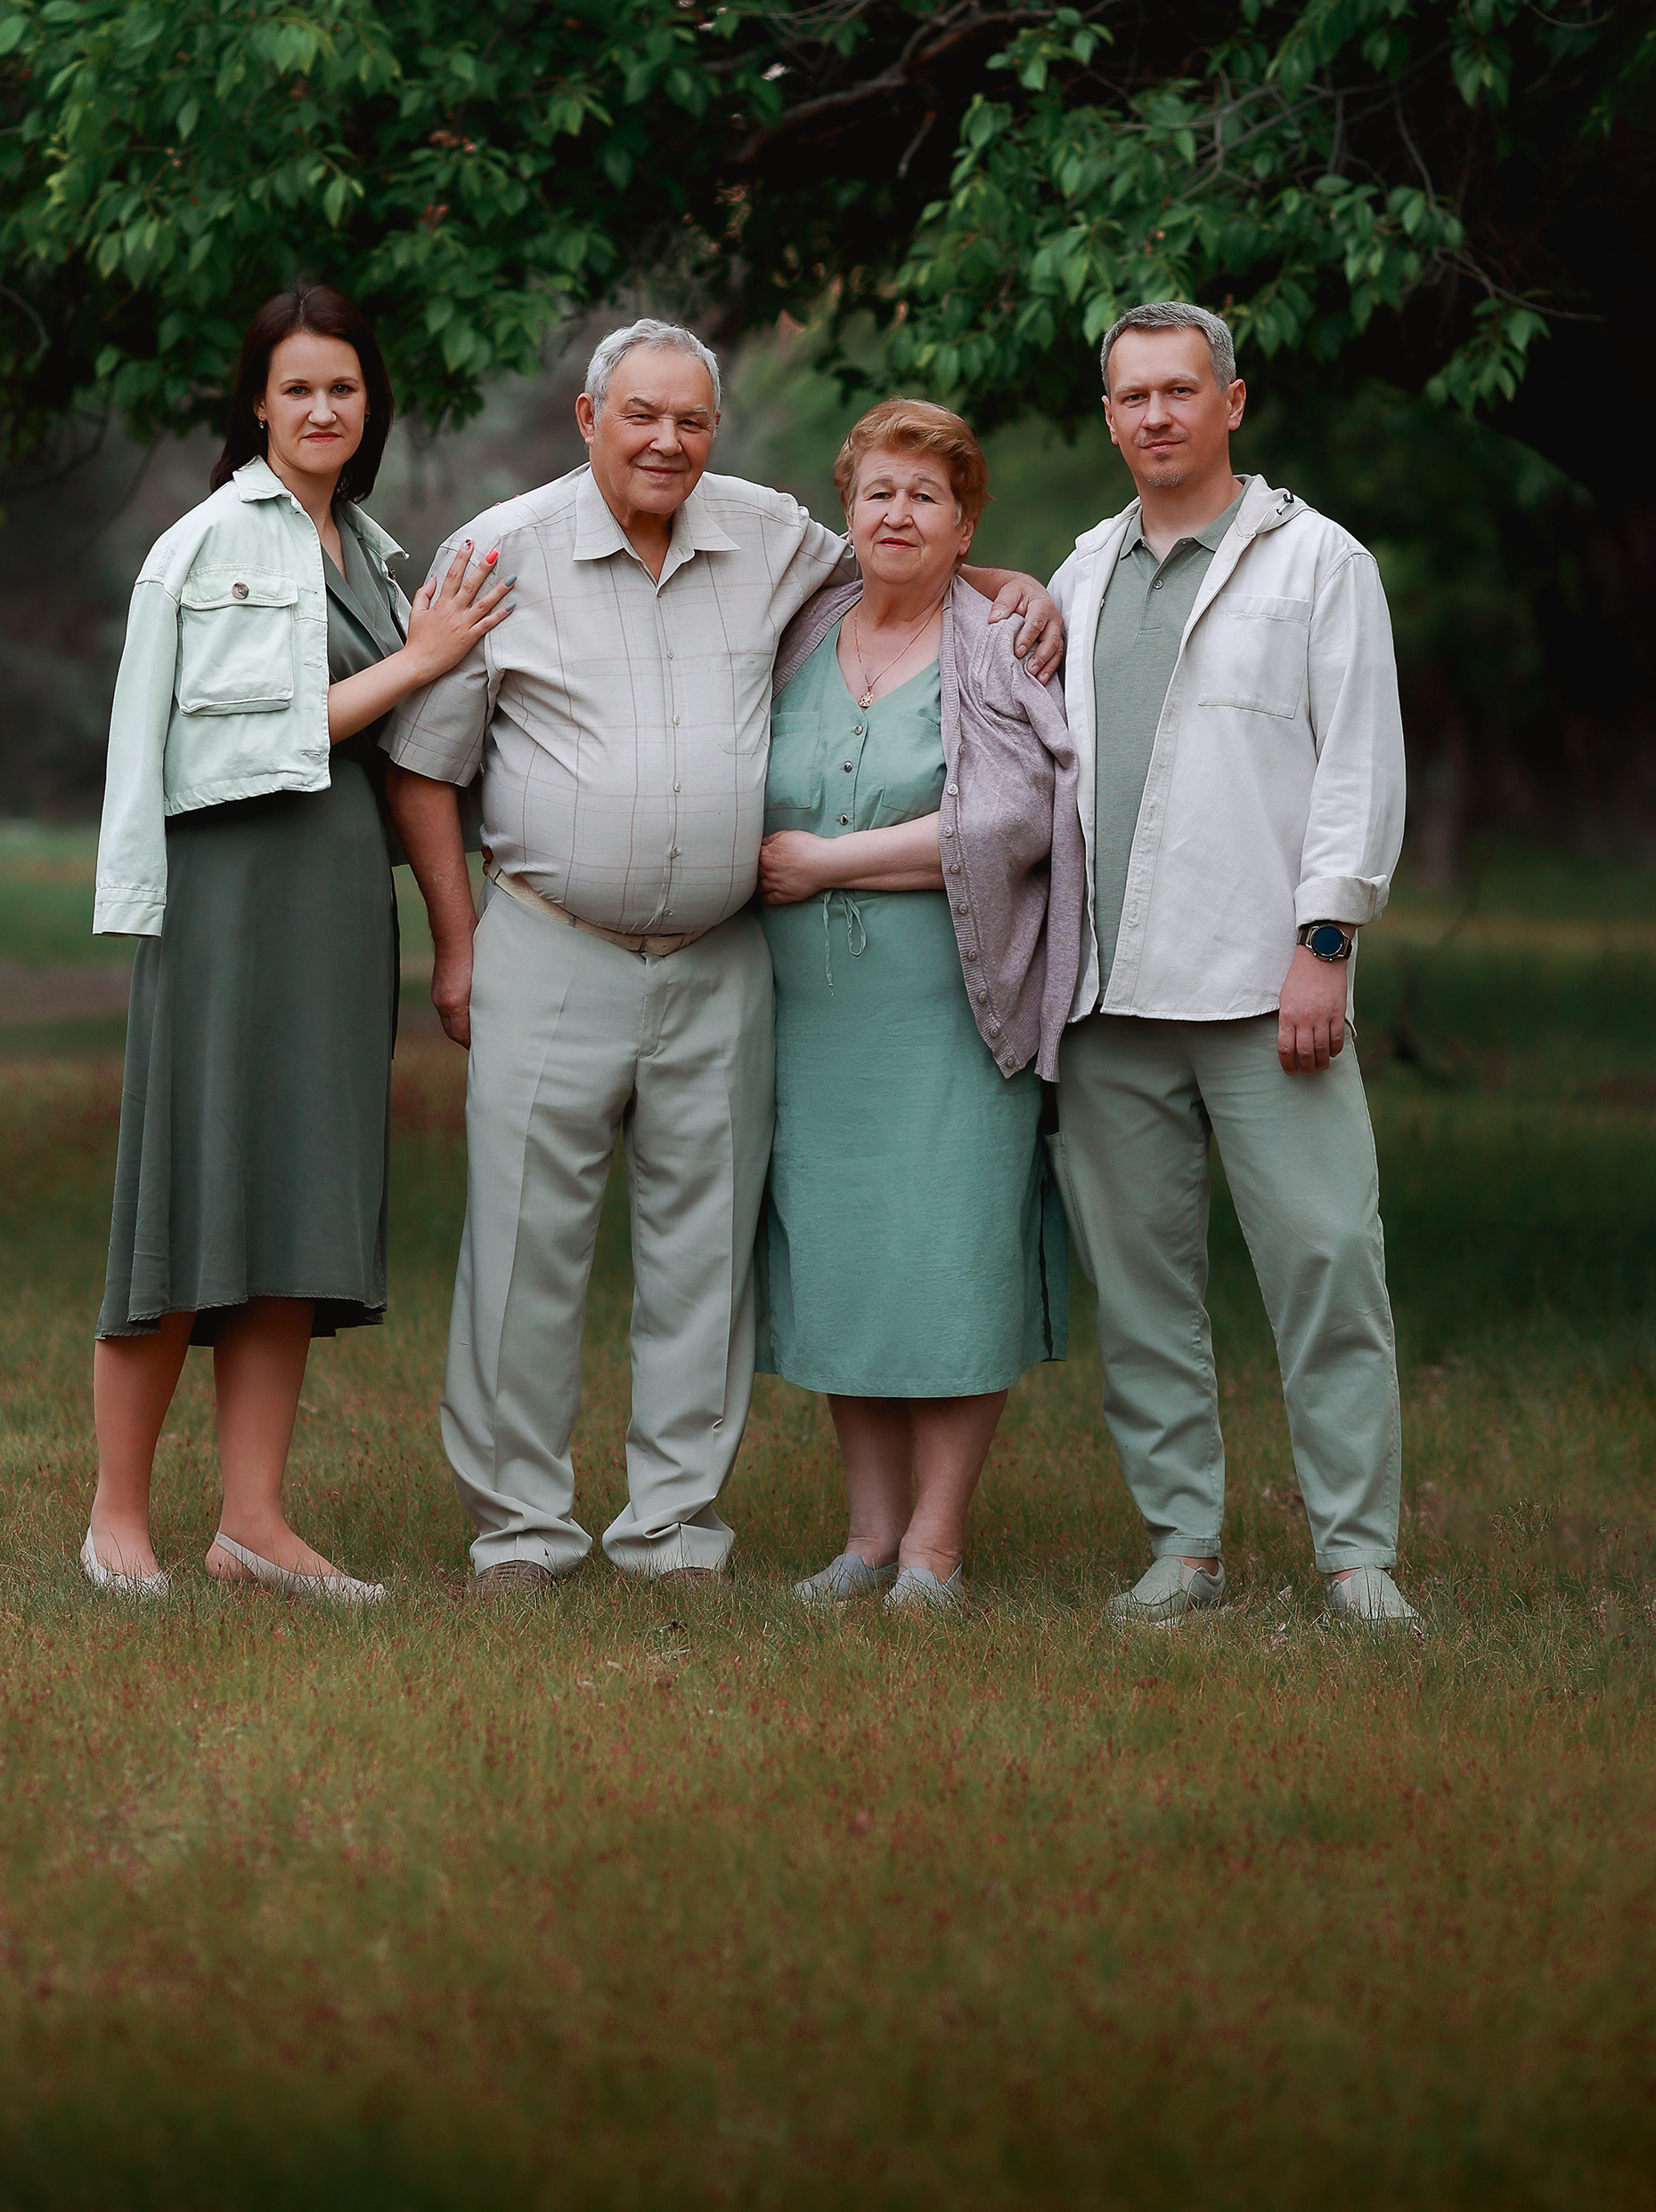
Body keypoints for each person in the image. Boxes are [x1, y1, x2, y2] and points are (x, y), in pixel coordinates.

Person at [386, 318, 1065, 1594]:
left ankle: (673, 1529)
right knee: (523, 1247)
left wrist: (1011, 586)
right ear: (588, 419)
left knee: (704, 1254)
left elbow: (900, 549)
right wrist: (455, 942)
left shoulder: (762, 533)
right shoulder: (495, 553)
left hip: (718, 961)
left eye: (691, 419)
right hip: (549, 942)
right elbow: (424, 767)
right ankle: (520, 1527)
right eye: (640, 415)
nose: (666, 440)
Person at [84, 282, 509, 1602]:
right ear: (255, 405)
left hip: (334, 909)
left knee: (295, 1206)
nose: (323, 408)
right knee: (191, 1191)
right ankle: (115, 1524)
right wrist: (424, 656)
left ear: (367, 405)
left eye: (344, 387)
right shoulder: (206, 544)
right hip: (229, 901)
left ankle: (253, 1524)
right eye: (298, 388)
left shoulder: (372, 555)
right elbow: (244, 742)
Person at [1048, 299, 1420, 1630]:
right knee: (1142, 1290)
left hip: (1269, 989)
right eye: (1131, 395)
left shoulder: (1316, 561)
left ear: (1231, 402)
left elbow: (1357, 764)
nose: (1154, 415)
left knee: (1325, 1260)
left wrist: (1324, 943)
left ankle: (1353, 1554)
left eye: (1178, 391)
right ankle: (1182, 1549)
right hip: (1105, 997)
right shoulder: (1082, 570)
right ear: (1107, 417)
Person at [755, 401, 1084, 1612]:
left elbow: (1012, 822)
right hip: (809, 1022)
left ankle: (936, 1548)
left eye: (925, 497)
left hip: (955, 1008)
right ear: (847, 508)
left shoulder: (995, 638)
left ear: (964, 521)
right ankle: (866, 1536)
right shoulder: (801, 625)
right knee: (844, 1260)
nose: (898, 514)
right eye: (878, 492)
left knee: (945, 1261)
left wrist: (829, 863)